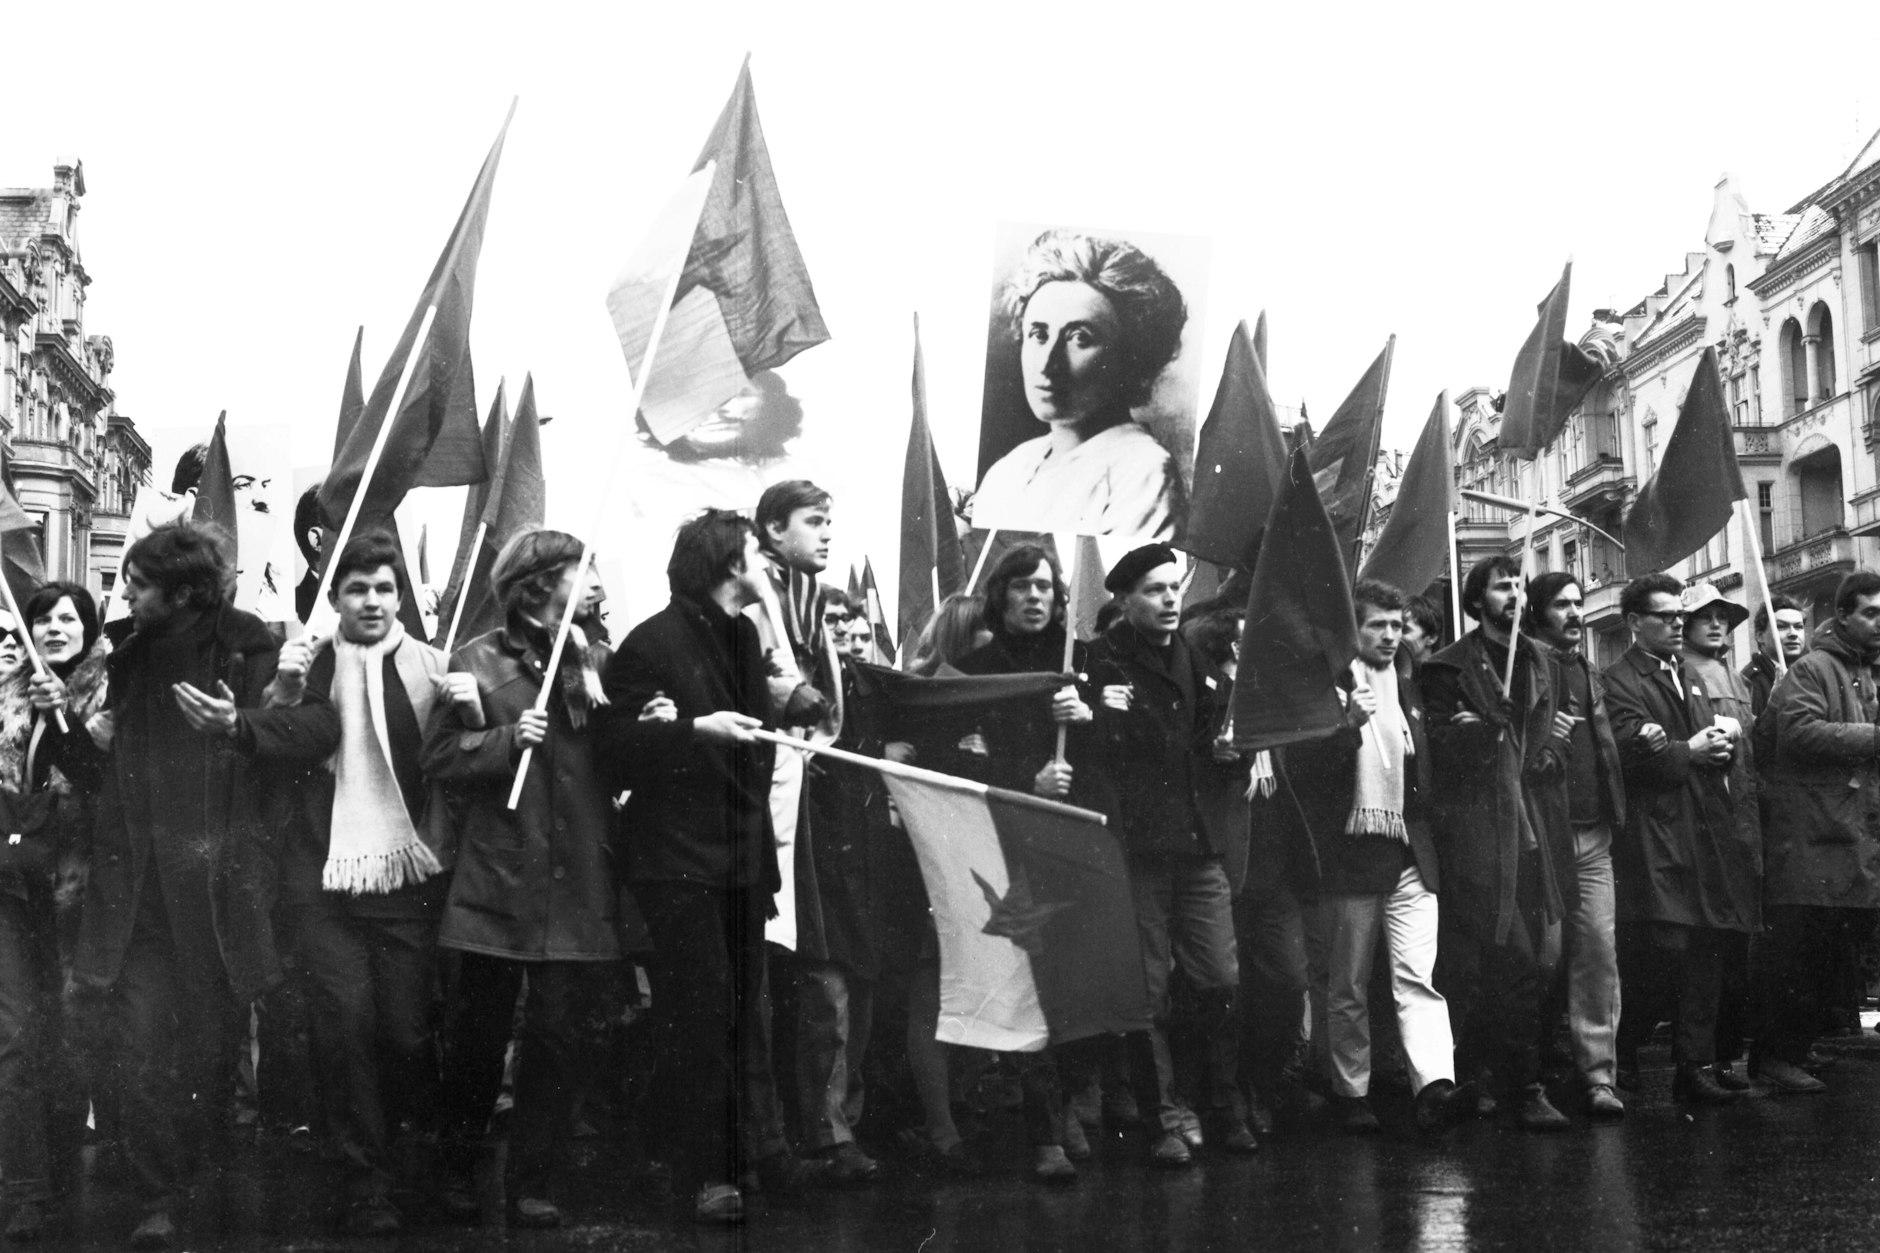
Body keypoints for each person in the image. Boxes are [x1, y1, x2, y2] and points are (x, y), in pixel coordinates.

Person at [56, 522, 338, 1250]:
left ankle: (199, 1189)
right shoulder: (124, 655)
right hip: (138, 899)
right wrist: (79, 741)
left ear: (182, 591)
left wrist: (239, 723)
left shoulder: (249, 643)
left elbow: (314, 730)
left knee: (208, 1061)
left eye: (138, 584)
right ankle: (158, 1200)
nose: (124, 592)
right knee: (144, 1050)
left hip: (217, 898)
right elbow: (103, 782)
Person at [596, 509, 793, 1224]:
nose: (766, 562)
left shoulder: (744, 634)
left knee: (738, 1009)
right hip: (676, 857)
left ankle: (718, 1152)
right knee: (700, 1008)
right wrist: (689, 731)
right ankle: (707, 1171)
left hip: (739, 854)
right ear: (727, 561)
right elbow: (612, 747)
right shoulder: (648, 642)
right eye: (754, 551)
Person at [423, 529, 621, 1229]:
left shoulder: (598, 658)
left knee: (559, 1034)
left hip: (575, 881)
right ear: (540, 584)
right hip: (501, 875)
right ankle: (455, 1170)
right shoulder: (476, 658)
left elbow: (619, 760)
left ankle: (533, 1178)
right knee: (477, 1034)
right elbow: (441, 755)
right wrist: (507, 739)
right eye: (584, 568)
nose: (597, 581)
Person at [258, 532, 452, 1236]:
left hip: (407, 878)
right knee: (344, 1025)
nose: (372, 601)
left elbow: (455, 768)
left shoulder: (434, 666)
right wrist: (280, 691)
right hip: (321, 878)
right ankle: (364, 1179)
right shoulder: (303, 665)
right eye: (357, 589)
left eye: (384, 589)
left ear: (400, 596)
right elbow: (272, 748)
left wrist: (476, 708)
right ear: (333, 597)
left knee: (403, 1030)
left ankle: (408, 1160)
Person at [954, 545, 1118, 1181]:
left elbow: (1128, 758)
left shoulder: (1083, 664)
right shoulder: (975, 670)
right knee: (1029, 981)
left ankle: (1073, 1098)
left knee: (1079, 979)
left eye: (1046, 587)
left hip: (1079, 842)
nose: (1035, 597)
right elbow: (959, 760)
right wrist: (1026, 777)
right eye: (1022, 586)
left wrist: (1091, 717)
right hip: (1008, 841)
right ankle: (1045, 1125)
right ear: (1001, 595)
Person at [1090, 544, 1257, 1162]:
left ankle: (1220, 1102)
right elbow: (1090, 754)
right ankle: (1163, 1118)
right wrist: (1093, 720)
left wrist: (1232, 749)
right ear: (1124, 600)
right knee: (1148, 988)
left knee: (1219, 978)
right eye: (1154, 591)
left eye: (1172, 589)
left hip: (1199, 842)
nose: (1168, 601)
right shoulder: (1099, 664)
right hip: (1139, 847)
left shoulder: (1199, 662)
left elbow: (1221, 741)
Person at [1279, 580, 1455, 1135]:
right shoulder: (1325, 686)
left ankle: (1436, 1085)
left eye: (1397, 625)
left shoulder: (1405, 685)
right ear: (1350, 630)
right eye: (1376, 624)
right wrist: (1343, 727)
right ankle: (1350, 1090)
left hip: (1409, 853)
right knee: (1348, 983)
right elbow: (1301, 775)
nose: (1390, 635)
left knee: (1417, 975)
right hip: (1352, 855)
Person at [1422, 555, 1575, 1131]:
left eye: (1518, 584)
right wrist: (1484, 731)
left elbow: (1557, 740)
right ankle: (1519, 1085)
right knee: (1498, 961)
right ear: (1476, 598)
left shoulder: (1541, 660)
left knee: (1537, 961)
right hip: (1479, 835)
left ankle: (1500, 1079)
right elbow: (1440, 754)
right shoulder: (1446, 667)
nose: (1513, 594)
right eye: (1500, 586)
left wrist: (1546, 755)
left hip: (1534, 831)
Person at [1601, 573, 1760, 1105]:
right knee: (1657, 952)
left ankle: (1693, 1066)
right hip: (1655, 837)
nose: (1676, 624)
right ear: (1634, 623)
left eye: (1678, 616)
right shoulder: (1619, 679)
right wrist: (1685, 751)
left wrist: (1714, 745)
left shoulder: (1687, 673)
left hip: (1702, 831)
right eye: (1665, 617)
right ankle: (1622, 1060)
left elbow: (1679, 744)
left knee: (1706, 949)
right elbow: (1628, 752)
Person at [0, 583, 109, 1242]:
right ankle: (23, 1188)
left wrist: (64, 717)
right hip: (12, 886)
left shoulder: (109, 693)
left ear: (89, 627)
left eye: (69, 616)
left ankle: (63, 1171)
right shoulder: (6, 691)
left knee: (69, 1034)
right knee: (13, 1036)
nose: (53, 626)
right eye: (42, 616)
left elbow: (102, 781)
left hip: (80, 890)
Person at [971, 230, 1189, 540]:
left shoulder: (1143, 473)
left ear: (1131, 356)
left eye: (1080, 338)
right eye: (1039, 335)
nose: (1048, 363)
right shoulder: (1011, 468)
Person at [1751, 570, 1880, 1095]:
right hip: (1811, 834)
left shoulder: (1861, 670)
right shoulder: (1813, 668)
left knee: (1827, 952)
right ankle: (1774, 1058)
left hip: (1847, 833)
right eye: (1871, 613)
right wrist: (1874, 736)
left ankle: (1796, 1049)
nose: (1879, 622)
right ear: (1844, 614)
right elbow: (1798, 732)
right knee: (1798, 954)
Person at [1525, 572, 1627, 1118]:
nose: (1573, 613)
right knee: (1542, 959)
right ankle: (1530, 1072)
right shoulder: (1525, 665)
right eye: (1561, 605)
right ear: (1537, 612)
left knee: (1597, 956)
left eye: (1577, 603)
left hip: (1594, 834)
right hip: (1545, 833)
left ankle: (1597, 1077)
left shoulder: (1589, 669)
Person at [1677, 582, 1762, 1087]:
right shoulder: (1683, 672)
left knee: (1737, 951)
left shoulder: (1736, 676)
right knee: (1706, 951)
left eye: (1724, 617)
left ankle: (1725, 1055)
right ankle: (1699, 1057)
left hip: (1742, 821)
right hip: (1706, 820)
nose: (1718, 624)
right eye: (1706, 616)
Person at [1743, 592, 1807, 717]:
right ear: (1760, 636)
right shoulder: (1751, 681)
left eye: (1798, 627)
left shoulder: (1810, 672)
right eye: (1782, 627)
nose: (1793, 634)